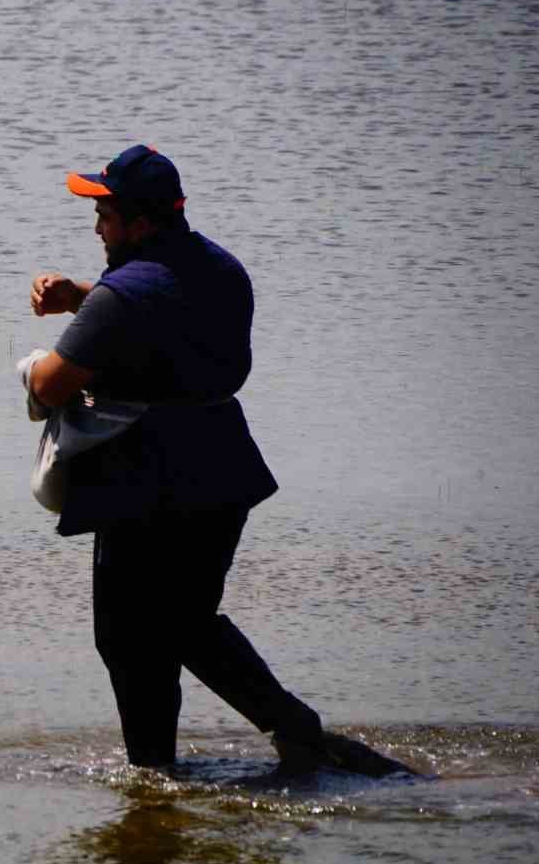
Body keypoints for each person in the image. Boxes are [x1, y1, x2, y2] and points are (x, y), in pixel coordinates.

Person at [26, 144, 411, 777]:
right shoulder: (223, 271)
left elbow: (50, 387)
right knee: (185, 623)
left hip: (144, 482)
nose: (97, 229)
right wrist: (86, 298)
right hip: (222, 473)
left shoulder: (119, 302)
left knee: (128, 637)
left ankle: (156, 774)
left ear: (141, 222)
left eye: (106, 214)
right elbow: (167, 302)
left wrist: (40, 358)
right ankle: (292, 731)